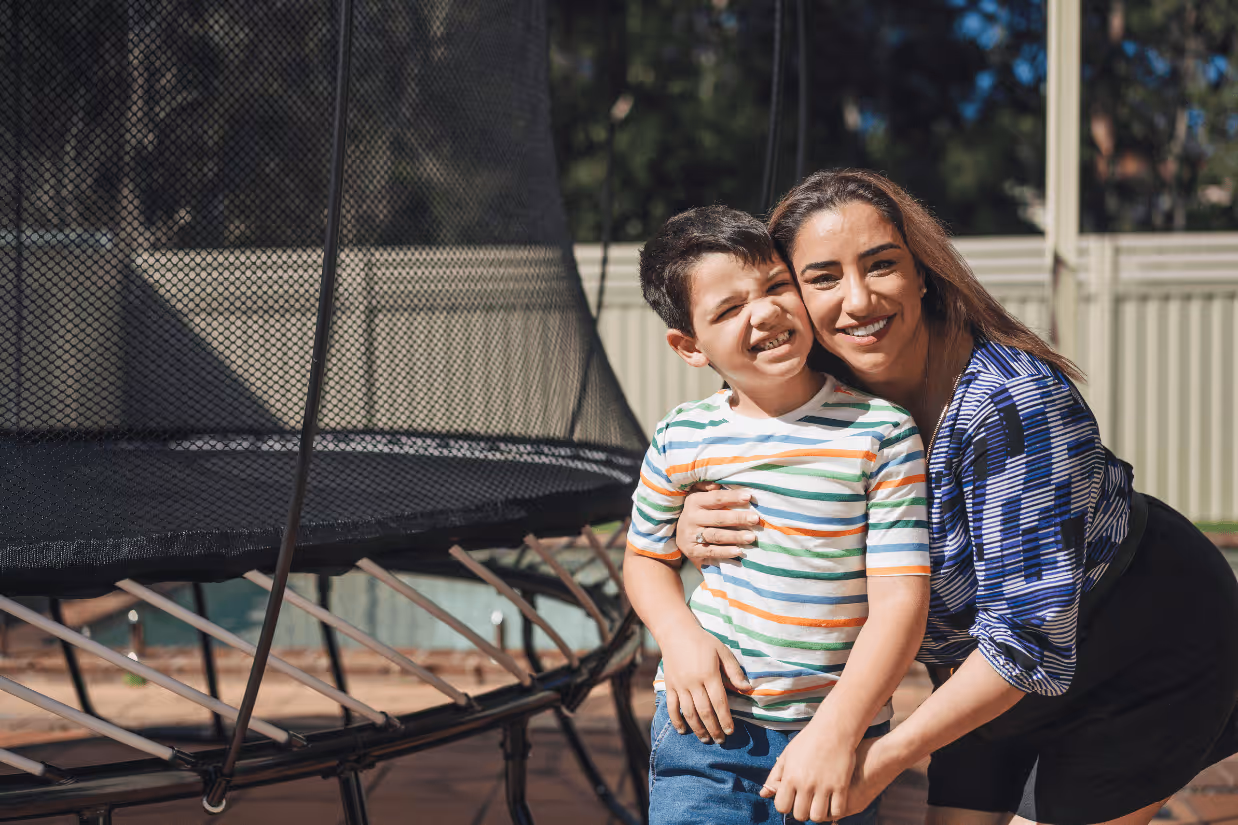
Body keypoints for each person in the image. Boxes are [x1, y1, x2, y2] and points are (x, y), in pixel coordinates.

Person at [673, 168, 1238, 825]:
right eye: (823, 277)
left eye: (881, 265)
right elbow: (729, 473)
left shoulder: (1011, 402)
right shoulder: (810, 399)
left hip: (1139, 641)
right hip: (979, 672)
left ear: (921, 272)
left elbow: (1028, 638)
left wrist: (872, 754)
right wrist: (694, 519)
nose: (858, 300)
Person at [624, 204, 932, 825]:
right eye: (729, 308)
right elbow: (644, 559)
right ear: (688, 346)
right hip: (707, 733)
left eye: (774, 287)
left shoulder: (880, 433)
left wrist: (839, 731)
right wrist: (681, 641)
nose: (763, 312)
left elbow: (901, 603)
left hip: (835, 740)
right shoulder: (683, 435)